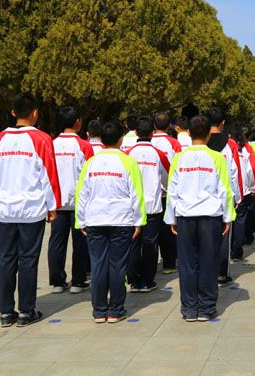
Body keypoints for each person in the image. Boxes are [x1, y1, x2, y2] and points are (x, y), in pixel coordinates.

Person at [0, 92, 61, 327]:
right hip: (31, 209)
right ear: (35, 113)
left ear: (12, 113)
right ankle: (27, 311)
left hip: (7, 209)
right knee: (28, 260)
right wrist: (53, 206)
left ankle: (6, 312)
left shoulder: (0, 139)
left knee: (6, 259)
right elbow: (49, 175)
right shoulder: (41, 139)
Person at [165, 115, 235, 322]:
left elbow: (173, 191)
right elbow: (225, 190)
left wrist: (172, 218)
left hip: (186, 216)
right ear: (207, 135)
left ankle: (189, 308)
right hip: (210, 217)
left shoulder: (180, 157)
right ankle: (206, 307)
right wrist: (228, 217)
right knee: (208, 262)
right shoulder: (216, 158)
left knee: (187, 264)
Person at [75, 121, 145, 323]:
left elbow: (82, 195)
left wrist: (81, 222)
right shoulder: (128, 162)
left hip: (95, 219)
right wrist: (138, 221)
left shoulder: (91, 163)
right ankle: (115, 310)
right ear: (121, 139)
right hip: (121, 220)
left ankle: (99, 311)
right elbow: (136, 195)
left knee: (98, 265)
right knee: (117, 266)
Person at [49, 106, 95, 294]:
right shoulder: (84, 145)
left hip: (57, 202)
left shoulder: (51, 144)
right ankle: (78, 280)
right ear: (77, 122)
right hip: (79, 202)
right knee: (80, 242)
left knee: (57, 242)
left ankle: (58, 282)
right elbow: (91, 174)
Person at [126, 116, 170, 293]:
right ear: (153, 131)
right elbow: (168, 176)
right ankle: (147, 281)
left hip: (132, 207)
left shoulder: (128, 153)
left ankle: (134, 280)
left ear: (135, 132)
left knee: (133, 243)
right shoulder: (158, 154)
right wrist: (165, 189)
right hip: (152, 206)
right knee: (150, 244)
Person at [206, 106, 244, 285]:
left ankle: (206, 273)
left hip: (200, 196)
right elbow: (233, 172)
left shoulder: (199, 142)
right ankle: (222, 273)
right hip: (221, 197)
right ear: (223, 123)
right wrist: (235, 197)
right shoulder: (228, 146)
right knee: (223, 234)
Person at [151, 112, 182, 274]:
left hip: (150, 194)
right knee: (167, 231)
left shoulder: (147, 142)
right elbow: (176, 168)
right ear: (169, 125)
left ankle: (151, 263)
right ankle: (169, 264)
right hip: (166, 193)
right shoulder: (174, 144)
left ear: (154, 126)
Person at [229, 125, 255, 260]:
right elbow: (252, 169)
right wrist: (253, 188)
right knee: (240, 221)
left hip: (228, 191)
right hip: (243, 190)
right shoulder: (246, 149)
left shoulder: (226, 147)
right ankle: (237, 250)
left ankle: (228, 248)